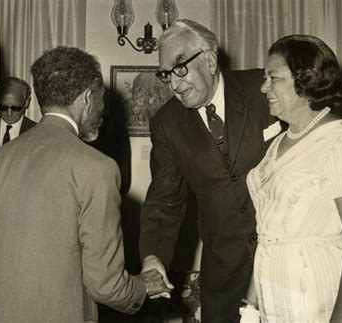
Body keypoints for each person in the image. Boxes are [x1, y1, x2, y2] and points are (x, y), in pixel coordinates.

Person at [0, 46, 170, 322]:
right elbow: (106, 285)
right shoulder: (96, 168)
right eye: (102, 99)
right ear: (88, 99)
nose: (102, 110)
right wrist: (144, 286)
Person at [138, 19, 281, 322]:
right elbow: (165, 201)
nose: (174, 85)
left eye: (180, 68)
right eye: (166, 75)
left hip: (286, 262)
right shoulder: (167, 124)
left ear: (210, 60)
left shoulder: (262, 88)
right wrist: (153, 258)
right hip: (225, 275)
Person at [242, 34, 342, 322]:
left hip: (324, 305)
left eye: (274, 77)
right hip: (276, 306)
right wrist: (251, 308)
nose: (263, 86)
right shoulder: (277, 145)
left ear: (306, 81)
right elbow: (269, 237)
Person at [0, 76, 36, 152]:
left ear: (26, 102)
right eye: (3, 107)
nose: (9, 114)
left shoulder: (36, 132)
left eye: (15, 108)